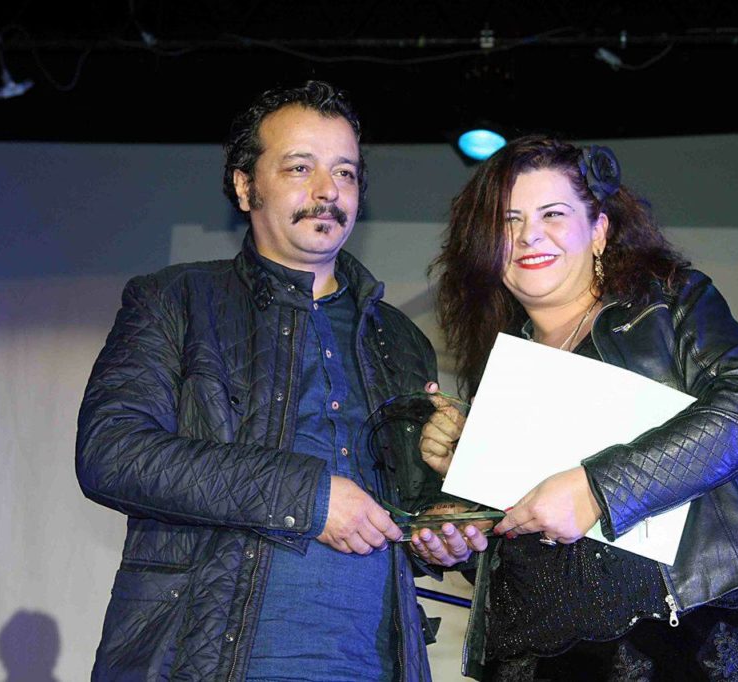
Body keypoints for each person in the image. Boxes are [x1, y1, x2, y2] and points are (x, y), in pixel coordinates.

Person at [75, 80, 479, 682]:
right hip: (212, 661)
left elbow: (403, 507)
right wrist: (309, 498)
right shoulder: (177, 300)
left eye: (344, 173)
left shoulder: (399, 338)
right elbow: (112, 452)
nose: (327, 190)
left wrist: (441, 526)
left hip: (376, 662)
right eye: (299, 167)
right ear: (246, 186)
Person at [416, 136, 738, 680]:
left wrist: (597, 489)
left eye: (552, 214)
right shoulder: (500, 370)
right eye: (508, 221)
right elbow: (524, 547)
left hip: (680, 641)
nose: (529, 236)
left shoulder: (669, 303)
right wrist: (461, 524)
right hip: (532, 657)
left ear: (598, 230)